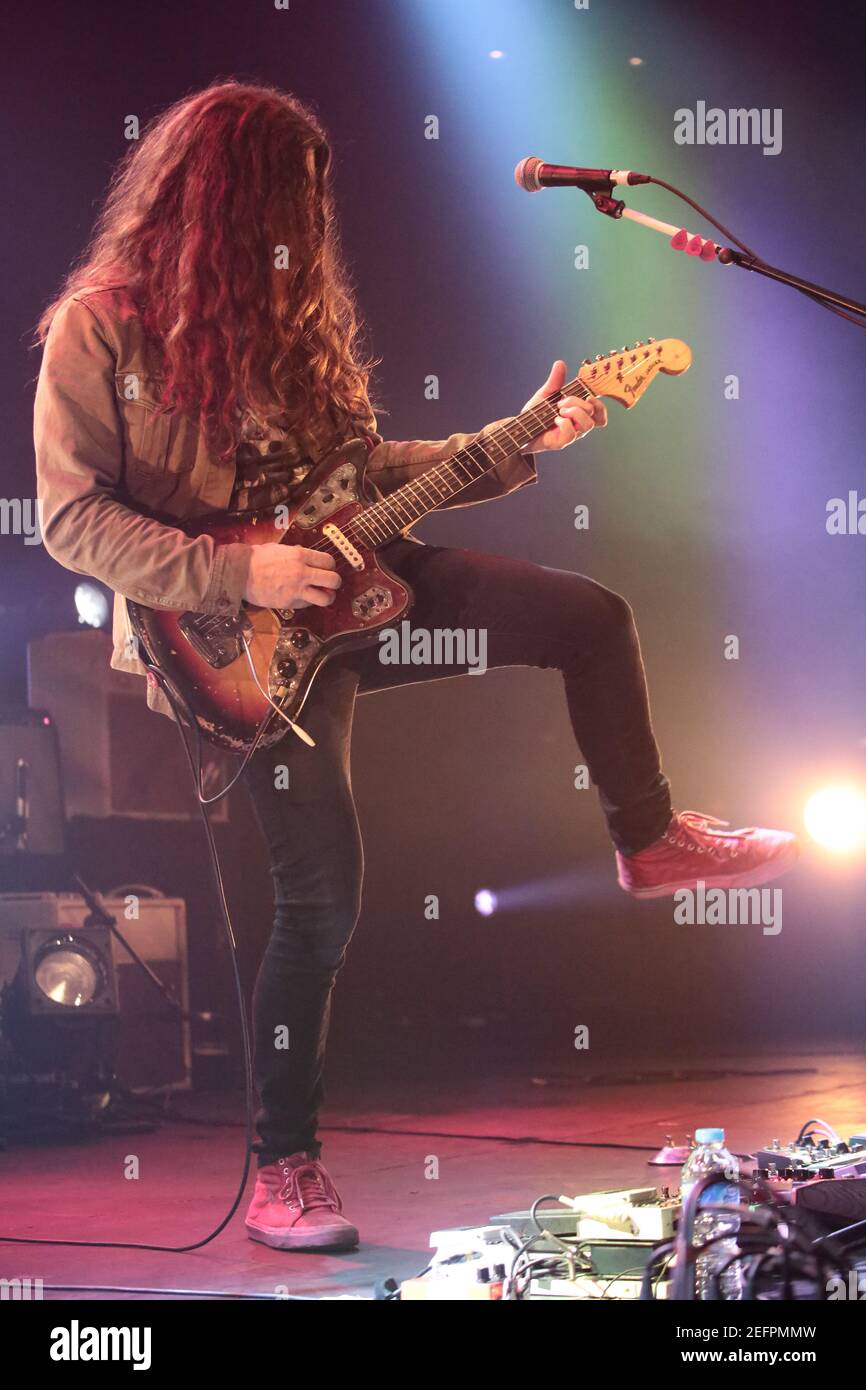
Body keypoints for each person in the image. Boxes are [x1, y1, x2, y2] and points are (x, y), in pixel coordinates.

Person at [34, 81, 797, 1252]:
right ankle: (284, 1166)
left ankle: (644, 837)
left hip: (352, 589)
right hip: (226, 646)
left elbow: (367, 470)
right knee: (321, 902)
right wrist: (237, 575)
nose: (308, 224)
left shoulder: (290, 318)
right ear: (222, 195)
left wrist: (516, 438)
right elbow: (73, 519)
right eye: (287, 196)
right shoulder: (101, 325)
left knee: (588, 617)